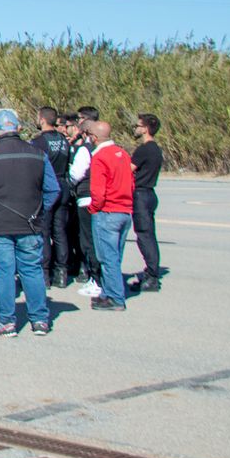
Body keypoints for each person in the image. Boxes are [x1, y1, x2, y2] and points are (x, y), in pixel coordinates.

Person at [0, 109, 60, 336]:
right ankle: (40, 320)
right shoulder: (37, 154)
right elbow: (52, 189)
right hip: (29, 223)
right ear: (18, 129)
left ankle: (7, 320)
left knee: (3, 272)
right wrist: (39, 210)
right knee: (32, 270)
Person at [87, 120, 136, 310]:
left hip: (108, 211)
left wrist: (94, 208)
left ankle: (116, 298)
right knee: (115, 255)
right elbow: (131, 182)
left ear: (95, 137)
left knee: (107, 257)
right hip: (124, 210)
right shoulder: (122, 154)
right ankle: (109, 292)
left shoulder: (100, 157)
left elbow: (98, 190)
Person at [31, 106, 76, 287]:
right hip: (63, 185)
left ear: (42, 120)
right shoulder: (64, 141)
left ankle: (45, 273)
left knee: (44, 231)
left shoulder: (39, 142)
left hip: (47, 188)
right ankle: (61, 271)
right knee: (60, 231)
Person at [66, 107, 103, 295]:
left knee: (88, 241)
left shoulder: (85, 150)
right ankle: (99, 277)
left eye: (79, 120)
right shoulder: (103, 149)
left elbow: (76, 174)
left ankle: (95, 278)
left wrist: (70, 180)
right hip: (100, 199)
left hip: (86, 198)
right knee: (98, 241)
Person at [131, 113, 164, 292]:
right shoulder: (156, 149)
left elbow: (129, 169)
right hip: (150, 193)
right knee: (149, 234)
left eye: (138, 125)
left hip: (141, 194)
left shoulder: (144, 149)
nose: (135, 128)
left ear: (145, 128)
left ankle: (152, 275)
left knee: (145, 235)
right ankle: (151, 271)